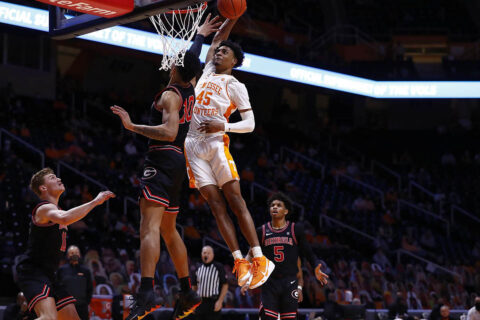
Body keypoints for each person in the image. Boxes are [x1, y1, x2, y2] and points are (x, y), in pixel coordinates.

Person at [111, 14, 221, 320]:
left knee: (149, 227)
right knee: (170, 230)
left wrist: (133, 126)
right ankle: (187, 291)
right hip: (178, 166)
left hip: (162, 157)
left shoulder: (171, 95)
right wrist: (199, 35)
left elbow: (170, 132)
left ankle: (146, 293)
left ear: (174, 67)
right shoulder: (190, 86)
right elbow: (194, 59)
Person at [184, 16, 274, 290]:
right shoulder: (209, 70)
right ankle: (239, 260)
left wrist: (224, 124)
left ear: (234, 61)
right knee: (214, 204)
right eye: (219, 51)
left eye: (226, 52)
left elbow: (250, 124)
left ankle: (259, 258)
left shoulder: (236, 86)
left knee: (235, 201)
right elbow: (216, 39)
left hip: (215, 141)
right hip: (191, 143)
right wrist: (230, 19)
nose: (220, 52)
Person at [15, 168, 114, 320]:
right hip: (33, 271)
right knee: (48, 317)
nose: (59, 179)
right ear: (43, 188)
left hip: (49, 274)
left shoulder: (57, 211)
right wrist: (95, 202)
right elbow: (66, 218)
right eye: (53, 177)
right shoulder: (44, 208)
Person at [241, 192, 329, 319]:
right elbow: (250, 253)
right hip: (269, 282)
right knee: (267, 317)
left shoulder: (295, 230)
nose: (275, 207)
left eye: (278, 205)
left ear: (286, 211)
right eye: (272, 205)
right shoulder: (262, 231)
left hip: (290, 282)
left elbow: (308, 252)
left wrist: (315, 266)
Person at [56, 245, 93, 320]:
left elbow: (90, 288)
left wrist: (85, 302)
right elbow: (57, 287)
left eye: (76, 252)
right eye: (72, 253)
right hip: (66, 306)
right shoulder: (61, 270)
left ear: (79, 254)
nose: (74, 255)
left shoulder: (86, 270)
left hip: (82, 307)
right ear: (67, 255)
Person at [191, 246, 228, 320]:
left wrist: (220, 301)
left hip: (213, 302)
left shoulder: (218, 267)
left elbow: (225, 285)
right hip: (200, 302)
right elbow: (194, 286)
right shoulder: (197, 268)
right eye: (204, 253)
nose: (206, 255)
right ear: (201, 254)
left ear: (213, 255)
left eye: (208, 253)